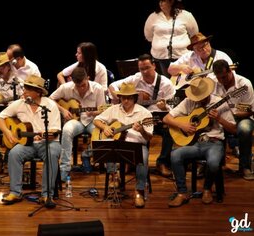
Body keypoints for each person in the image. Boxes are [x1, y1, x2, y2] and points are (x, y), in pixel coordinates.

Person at [163, 77, 236, 207]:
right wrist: (182, 125)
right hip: (194, 143)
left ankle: (207, 189)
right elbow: (166, 118)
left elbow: (234, 129)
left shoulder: (220, 103)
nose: (197, 100)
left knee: (213, 163)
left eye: (200, 97)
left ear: (207, 93)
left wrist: (219, 119)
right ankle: (182, 192)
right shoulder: (189, 101)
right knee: (175, 155)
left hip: (214, 142)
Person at [0, 75, 61, 205]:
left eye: (28, 89)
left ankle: (47, 195)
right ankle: (15, 192)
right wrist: (7, 132)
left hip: (48, 143)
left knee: (52, 153)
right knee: (14, 153)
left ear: (38, 92)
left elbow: (55, 130)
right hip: (27, 144)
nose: (24, 92)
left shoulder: (50, 105)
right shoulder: (19, 104)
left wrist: (47, 134)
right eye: (24, 88)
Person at [109, 54, 176, 177]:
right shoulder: (135, 78)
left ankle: (162, 162)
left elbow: (173, 108)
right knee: (124, 128)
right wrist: (119, 97)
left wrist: (165, 107)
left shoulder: (166, 84)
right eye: (141, 69)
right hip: (137, 118)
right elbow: (112, 86)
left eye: (147, 68)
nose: (144, 72)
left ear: (154, 66)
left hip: (157, 120)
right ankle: (130, 161)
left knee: (170, 130)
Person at [94, 82, 153, 208]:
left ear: (134, 98)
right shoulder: (114, 109)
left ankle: (139, 191)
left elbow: (148, 138)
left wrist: (142, 130)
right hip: (117, 144)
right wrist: (105, 127)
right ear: (119, 97)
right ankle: (114, 176)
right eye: (123, 97)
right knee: (107, 147)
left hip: (136, 146)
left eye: (129, 98)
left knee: (143, 156)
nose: (126, 100)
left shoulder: (145, 114)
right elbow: (96, 120)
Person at [50, 67, 106, 181]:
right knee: (66, 131)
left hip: (93, 120)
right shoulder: (66, 87)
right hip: (75, 120)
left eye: (83, 85)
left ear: (88, 78)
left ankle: (87, 154)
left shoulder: (98, 88)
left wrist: (95, 112)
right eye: (78, 86)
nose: (81, 88)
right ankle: (64, 169)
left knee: (100, 133)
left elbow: (103, 110)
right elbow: (50, 99)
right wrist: (63, 110)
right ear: (72, 81)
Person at [212, 59, 254, 180]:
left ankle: (245, 166)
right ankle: (214, 164)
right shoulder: (214, 83)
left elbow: (250, 110)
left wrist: (233, 113)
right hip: (220, 116)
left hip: (242, 117)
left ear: (230, 71)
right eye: (218, 78)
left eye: (224, 77)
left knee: (245, 129)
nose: (221, 81)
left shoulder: (244, 85)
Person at [144, 0, 199, 78]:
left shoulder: (186, 15)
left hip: (182, 56)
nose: (160, 3)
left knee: (183, 83)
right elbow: (148, 36)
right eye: (159, 1)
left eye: (163, 1)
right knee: (167, 84)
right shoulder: (153, 17)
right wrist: (160, 45)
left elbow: (194, 34)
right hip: (161, 58)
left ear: (171, 2)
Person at [168, 32, 233, 91]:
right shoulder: (189, 56)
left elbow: (232, 78)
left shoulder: (222, 57)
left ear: (209, 43)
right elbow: (170, 70)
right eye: (198, 48)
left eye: (205, 45)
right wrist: (181, 67)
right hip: (193, 93)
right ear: (194, 50)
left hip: (217, 92)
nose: (203, 49)